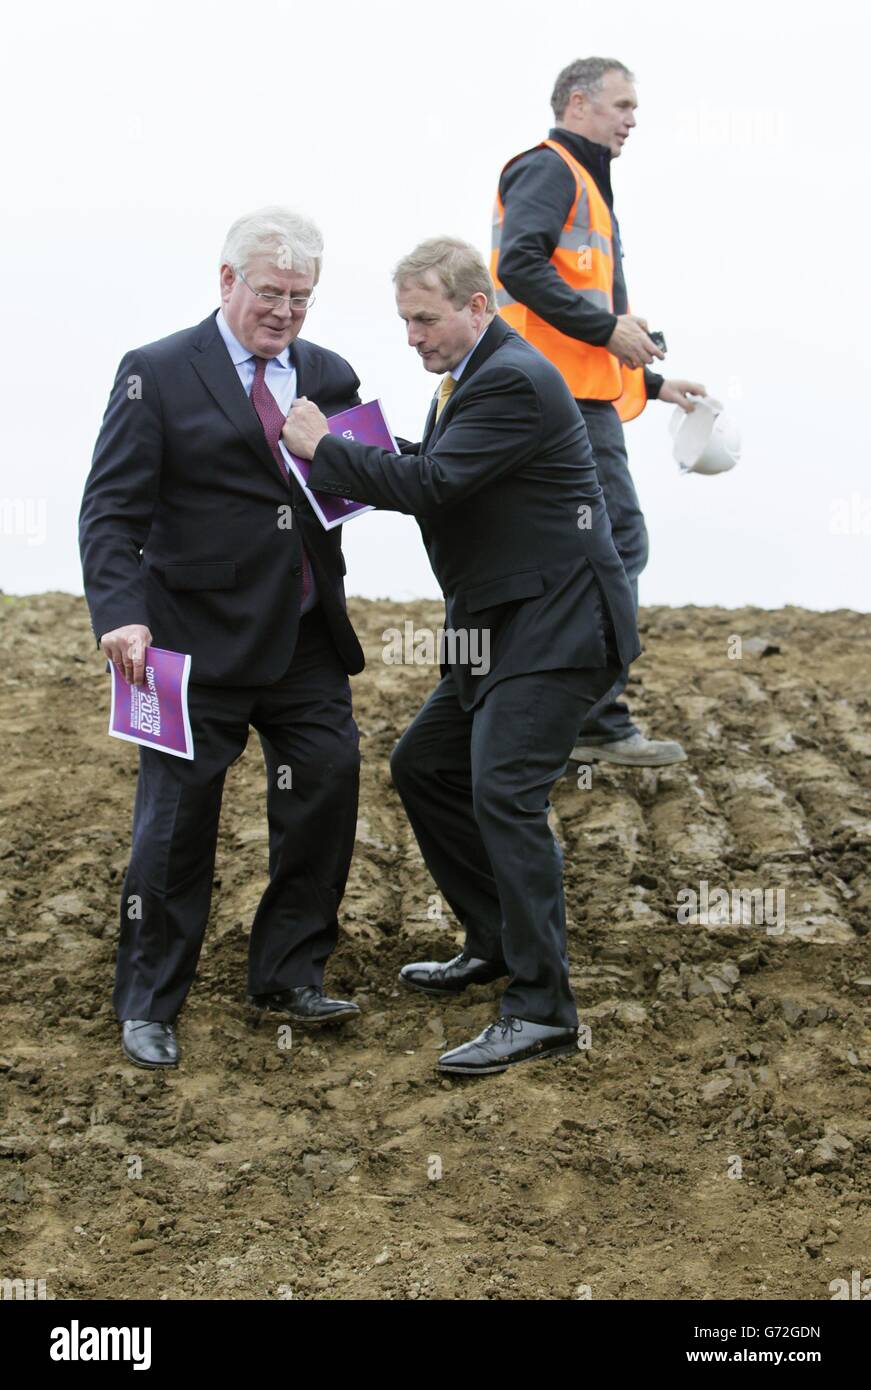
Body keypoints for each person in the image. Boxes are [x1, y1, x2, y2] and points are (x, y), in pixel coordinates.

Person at [282, 237, 641, 1077]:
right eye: (405, 319)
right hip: (499, 625)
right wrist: (371, 449)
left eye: (425, 318)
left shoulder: (512, 378)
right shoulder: (474, 378)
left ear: (476, 308)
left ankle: (543, 1008)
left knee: (503, 791)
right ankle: (494, 941)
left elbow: (436, 489)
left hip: (558, 626)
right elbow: (444, 468)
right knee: (426, 767)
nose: (412, 335)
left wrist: (323, 452)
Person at [79, 207, 364, 1070]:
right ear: (227, 281)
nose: (285, 313)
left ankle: (287, 974)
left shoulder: (329, 373)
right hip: (178, 643)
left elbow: (351, 486)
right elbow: (111, 512)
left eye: (302, 299)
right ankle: (150, 1002)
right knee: (173, 824)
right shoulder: (155, 373)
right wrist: (119, 615)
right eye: (271, 293)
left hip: (305, 634)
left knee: (326, 786)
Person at [492, 56, 707, 767]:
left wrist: (650, 382)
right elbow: (518, 266)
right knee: (613, 546)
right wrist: (605, 329)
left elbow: (581, 316)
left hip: (577, 398)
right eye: (621, 105)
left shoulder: (584, 183)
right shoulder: (550, 169)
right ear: (577, 103)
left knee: (582, 554)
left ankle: (565, 716)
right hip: (558, 409)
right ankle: (593, 720)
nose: (631, 120)